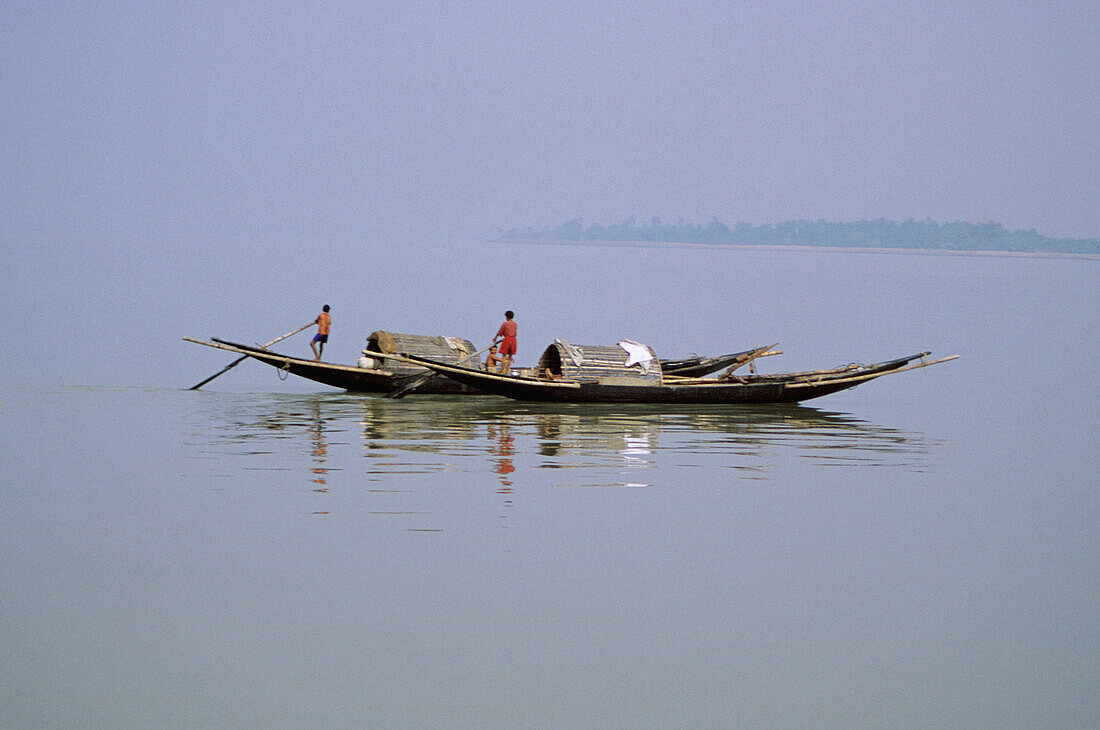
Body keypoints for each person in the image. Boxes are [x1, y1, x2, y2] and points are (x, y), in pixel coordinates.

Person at [494, 310, 517, 374]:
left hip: (507, 339)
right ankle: (507, 371)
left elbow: (500, 332)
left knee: (504, 357)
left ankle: (502, 371)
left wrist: (495, 338)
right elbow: (515, 333)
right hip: (513, 340)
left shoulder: (505, 323)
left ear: (506, 316)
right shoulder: (515, 324)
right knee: (510, 357)